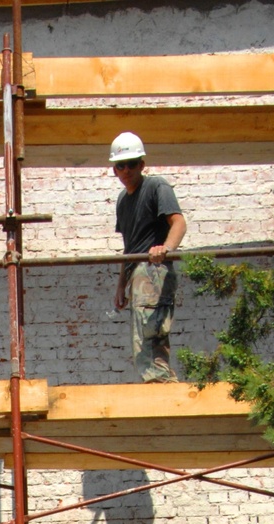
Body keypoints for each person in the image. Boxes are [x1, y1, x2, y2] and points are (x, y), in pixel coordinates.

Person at [110, 132, 187, 383]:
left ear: (142, 165)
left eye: (132, 164)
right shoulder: (123, 200)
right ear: (115, 170)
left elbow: (179, 223)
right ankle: (159, 386)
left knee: (150, 336)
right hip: (136, 275)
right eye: (121, 165)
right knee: (142, 342)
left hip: (153, 270)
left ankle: (163, 389)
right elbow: (129, 247)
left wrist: (165, 248)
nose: (127, 170)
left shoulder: (156, 186)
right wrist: (121, 284)